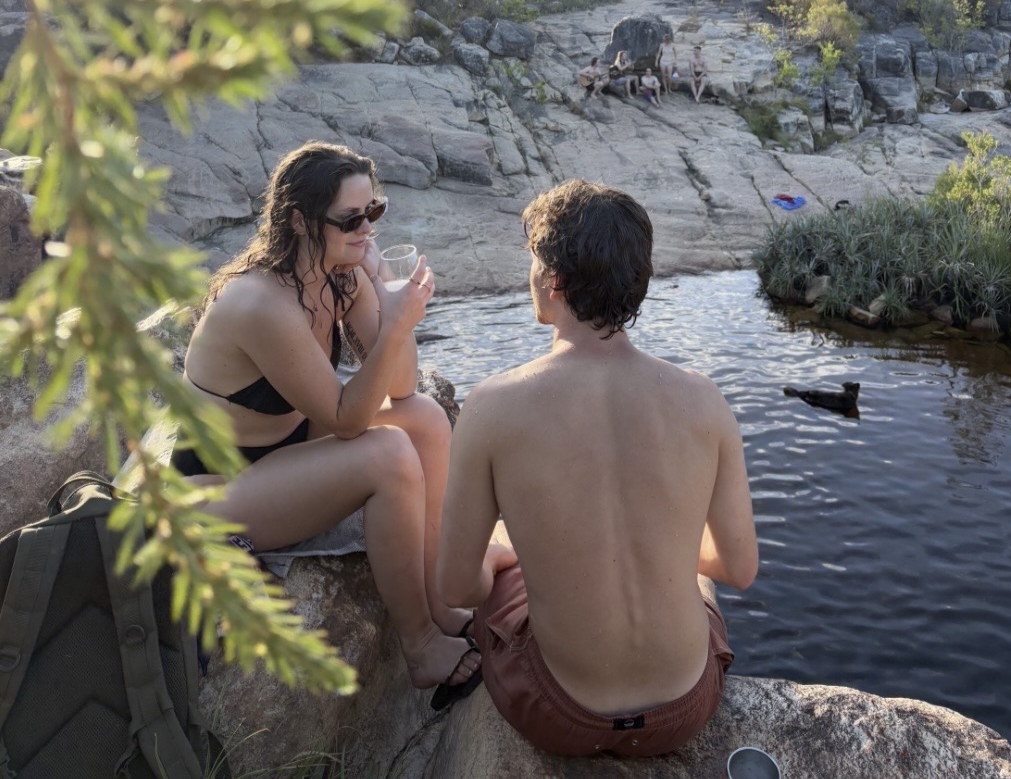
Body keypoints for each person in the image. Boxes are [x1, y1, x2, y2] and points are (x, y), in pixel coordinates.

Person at [436, 180, 758, 758]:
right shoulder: (705, 400)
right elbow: (738, 567)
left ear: (554, 280)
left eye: (533, 259)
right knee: (691, 578)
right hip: (686, 708)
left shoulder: (493, 406)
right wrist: (661, 545)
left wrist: (501, 555)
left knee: (503, 560)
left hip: (562, 715)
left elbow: (458, 587)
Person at [172, 140, 482, 708]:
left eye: (375, 212)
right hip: (216, 491)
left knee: (426, 419)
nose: (367, 228)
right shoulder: (260, 302)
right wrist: (392, 327)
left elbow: (402, 387)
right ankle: (419, 647)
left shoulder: (338, 274)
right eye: (352, 218)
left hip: (285, 451)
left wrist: (387, 298)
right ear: (299, 220)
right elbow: (347, 420)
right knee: (385, 455)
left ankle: (439, 600)